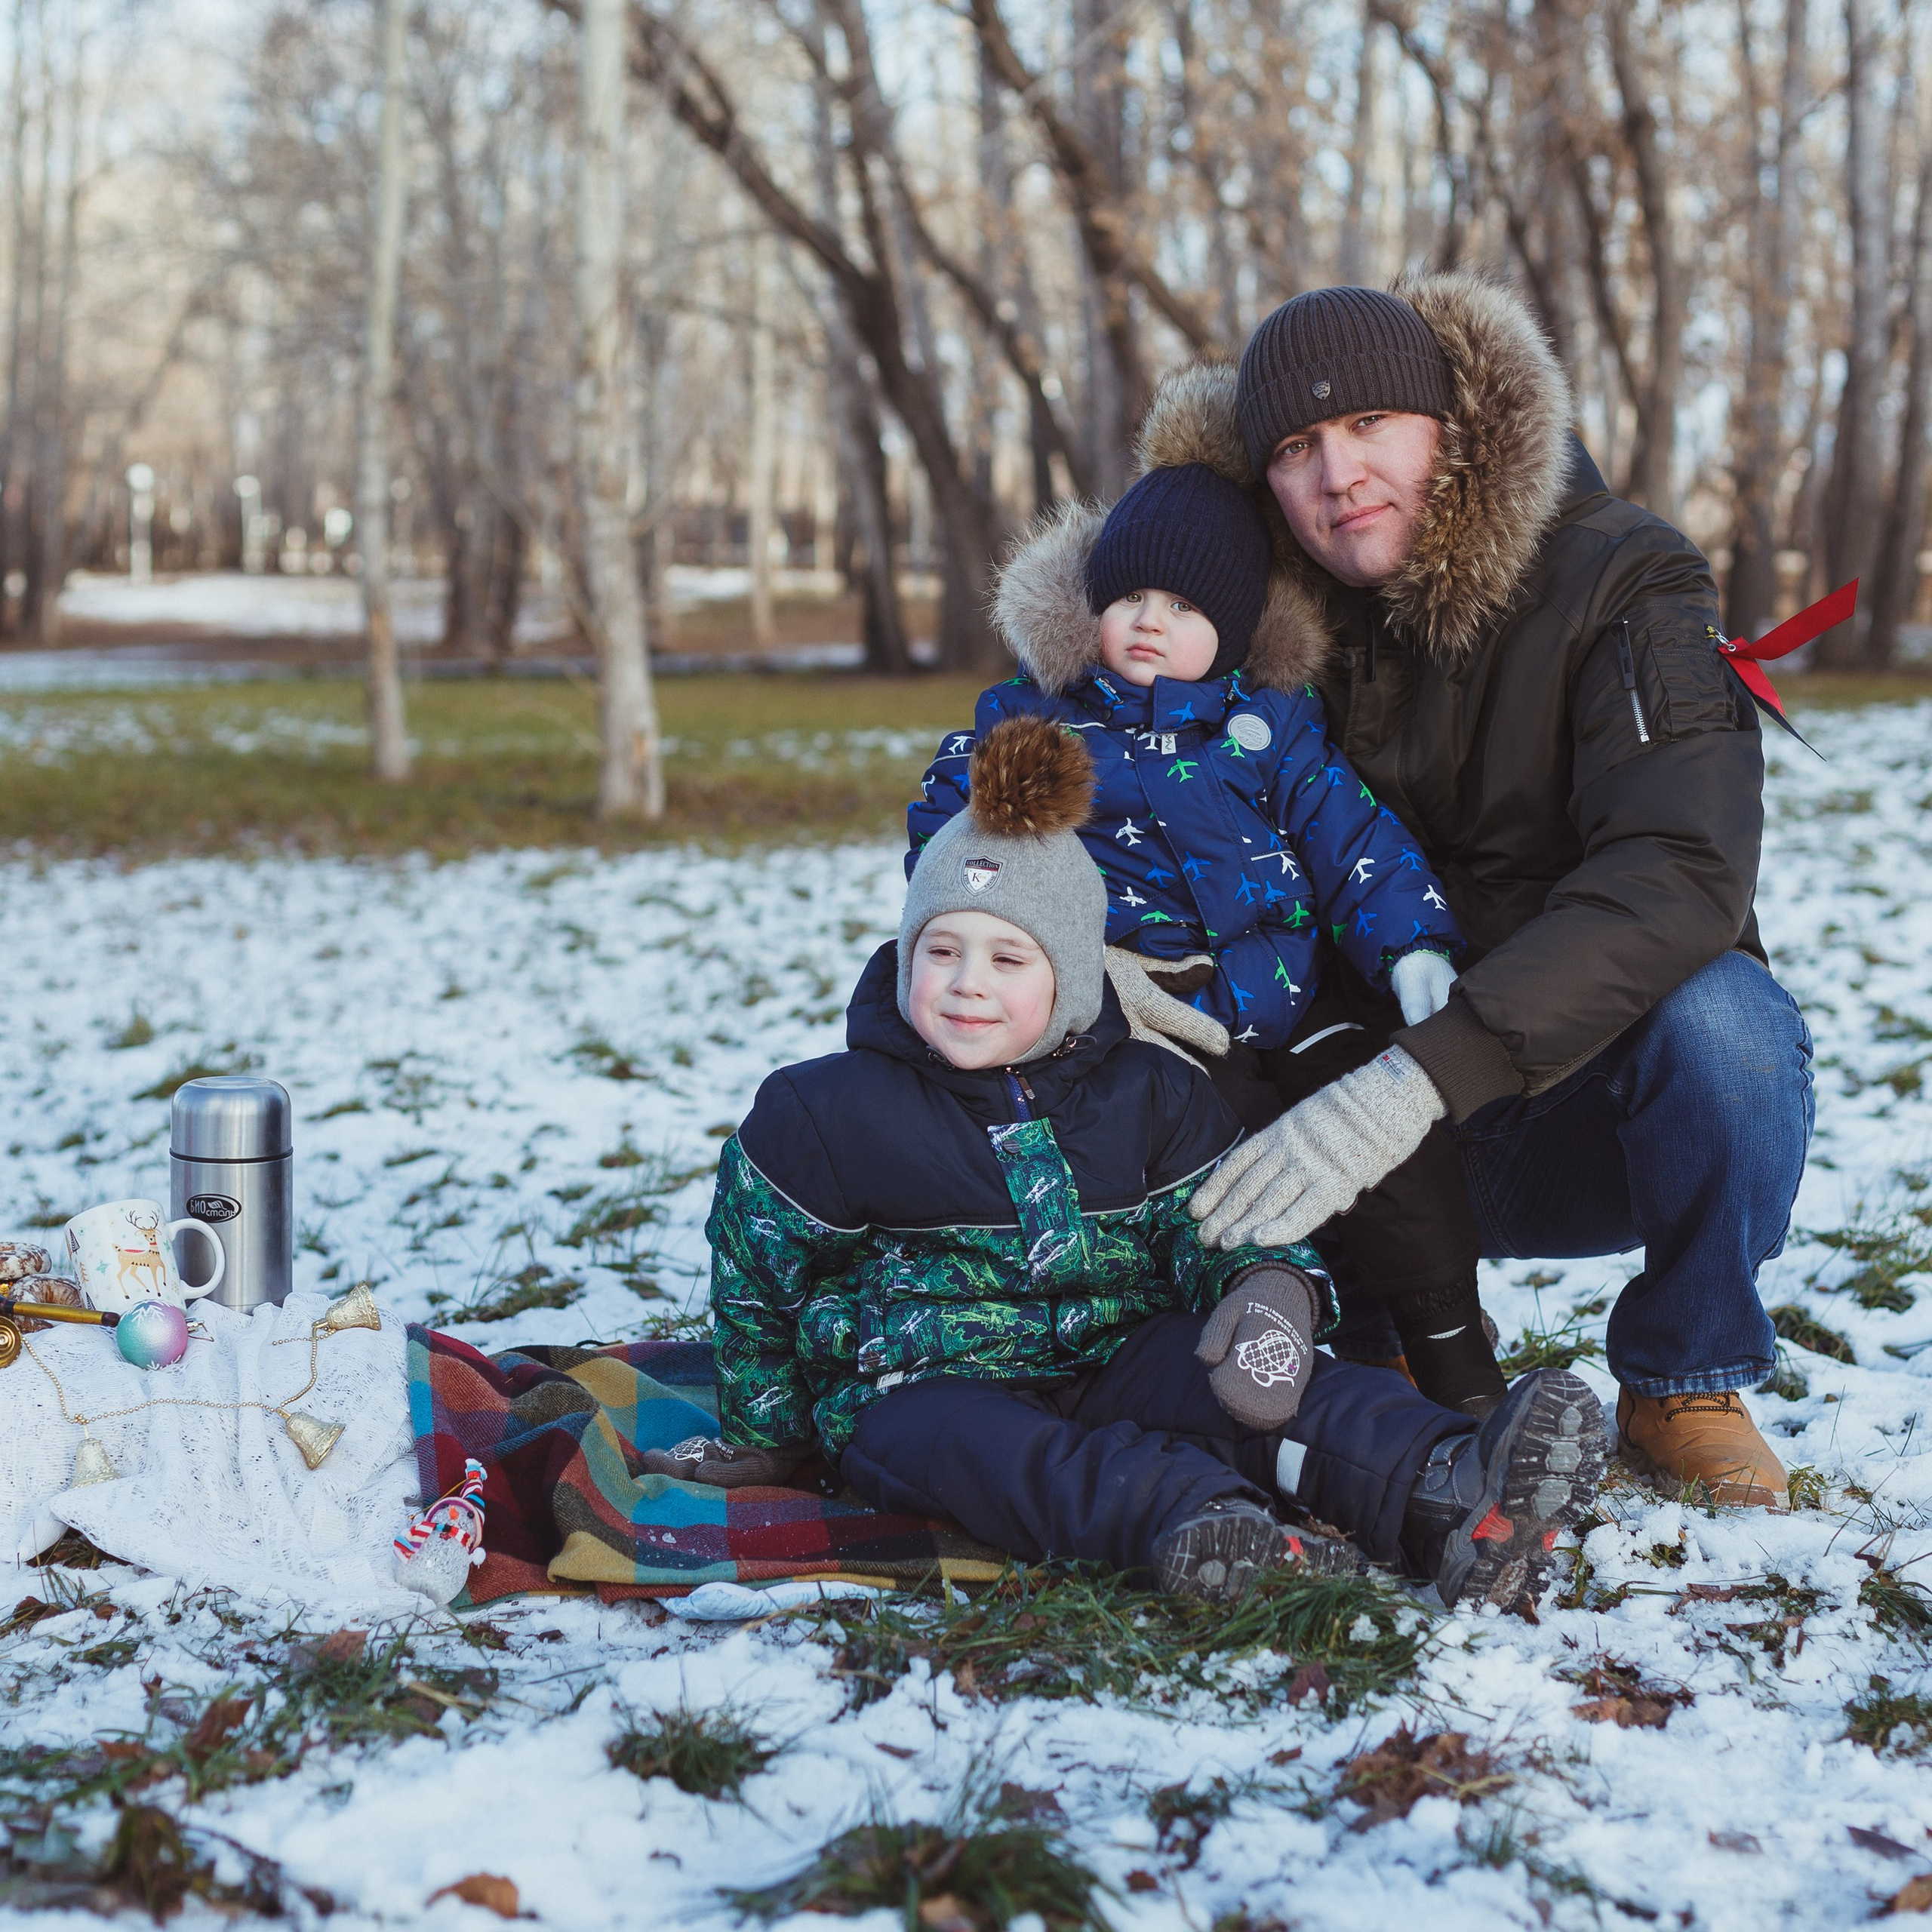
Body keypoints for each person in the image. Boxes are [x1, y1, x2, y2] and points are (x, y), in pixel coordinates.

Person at [666, 715, 1605, 1614]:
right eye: (941, 949)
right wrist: (769, 1432)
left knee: (1258, 1391)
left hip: (1120, 1344)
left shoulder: (1150, 1092)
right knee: (1004, 1457)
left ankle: (1450, 1488)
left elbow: (1226, 1221)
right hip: (915, 1381)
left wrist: (1267, 1288)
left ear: (1071, 976)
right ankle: (1204, 1528)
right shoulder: (825, 1110)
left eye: (1007, 958)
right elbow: (756, 1274)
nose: (967, 983)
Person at [1164, 272, 1810, 1510]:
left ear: (1449, 432)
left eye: (1368, 426)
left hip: (1584, 1119)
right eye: (1295, 447)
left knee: (1731, 1028)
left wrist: (1424, 1075)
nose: (1336, 473)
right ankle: (1381, 1349)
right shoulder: (1247, 632)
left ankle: (1684, 1375)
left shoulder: (1632, 578)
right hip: (1344, 1140)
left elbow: (1683, 870)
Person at [906, 457, 1508, 1416]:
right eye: (1132, 595)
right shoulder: (1041, 721)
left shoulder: (1270, 733)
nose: (1150, 620)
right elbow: (955, 838)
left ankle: (1451, 1357)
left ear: (1229, 633)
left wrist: (1413, 947)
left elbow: (1356, 843)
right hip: (1141, 1018)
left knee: (1387, 1141)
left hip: (1286, 1005)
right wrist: (1056, 958)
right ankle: (1249, 1364)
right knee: (1208, 1180)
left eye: (1184, 607)